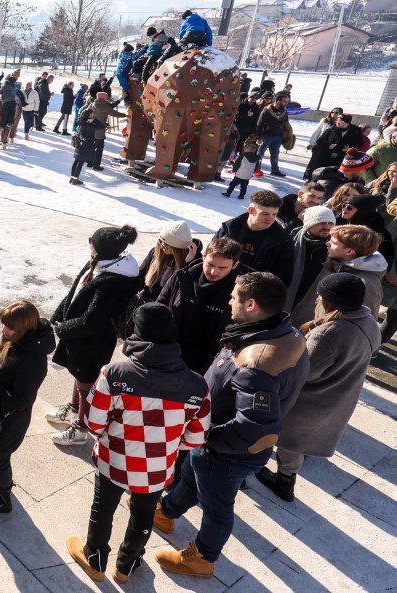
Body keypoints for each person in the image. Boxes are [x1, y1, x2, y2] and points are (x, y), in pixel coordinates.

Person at [154, 272, 309, 579]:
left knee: (217, 507)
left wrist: (207, 437)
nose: (229, 299)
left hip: (223, 453)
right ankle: (166, 512)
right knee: (189, 479)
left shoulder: (257, 362)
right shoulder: (281, 332)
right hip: (210, 447)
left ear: (251, 304)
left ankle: (201, 557)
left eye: (234, 296)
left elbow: (255, 428)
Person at [68, 303, 210, 584]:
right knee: (144, 514)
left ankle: (95, 560)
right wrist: (165, 444)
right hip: (158, 468)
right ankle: (126, 566)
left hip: (114, 460)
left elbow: (94, 423)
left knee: (103, 508)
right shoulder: (197, 385)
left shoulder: (114, 374)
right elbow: (197, 437)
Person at [257, 274, 380, 502]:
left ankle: (284, 481)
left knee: (289, 442)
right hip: (338, 396)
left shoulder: (329, 334)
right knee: (302, 440)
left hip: (310, 402)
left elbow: (303, 371)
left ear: (328, 301)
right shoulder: (369, 321)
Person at [47, 225, 141, 446]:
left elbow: (93, 321)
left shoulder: (113, 281)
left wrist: (62, 329)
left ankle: (81, 427)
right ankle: (74, 407)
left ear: (99, 248)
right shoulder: (98, 264)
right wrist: (58, 315)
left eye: (92, 240)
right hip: (78, 335)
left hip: (94, 340)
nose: (89, 242)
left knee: (86, 381)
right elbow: (74, 292)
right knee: (78, 373)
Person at [0, 300, 54, 514]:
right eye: (3, 324)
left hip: (10, 420)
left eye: (9, 326)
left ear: (24, 328)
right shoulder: (16, 339)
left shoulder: (34, 359)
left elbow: (20, 399)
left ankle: (2, 498)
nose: (3, 330)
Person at [157, 237, 244, 375]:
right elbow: (158, 312)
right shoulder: (181, 278)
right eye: (210, 264)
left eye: (222, 268)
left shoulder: (242, 293)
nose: (214, 272)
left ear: (235, 265)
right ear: (203, 256)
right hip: (169, 360)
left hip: (211, 369)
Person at [213, 190, 294, 283]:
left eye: (274, 214)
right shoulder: (229, 229)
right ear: (251, 210)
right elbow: (211, 257)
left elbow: (283, 277)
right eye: (265, 214)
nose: (270, 219)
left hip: (252, 293)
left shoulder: (282, 240)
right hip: (220, 285)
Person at [285, 206, 336, 326]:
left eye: (330, 223)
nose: (327, 227)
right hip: (283, 299)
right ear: (309, 223)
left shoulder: (336, 246)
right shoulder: (290, 238)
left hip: (312, 307)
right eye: (322, 222)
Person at [138, 221, 197, 301]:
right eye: (160, 241)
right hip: (148, 301)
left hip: (168, 307)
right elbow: (140, 275)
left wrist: (188, 264)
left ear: (178, 249)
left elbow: (184, 291)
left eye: (166, 245)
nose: (162, 246)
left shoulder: (193, 262)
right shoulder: (155, 252)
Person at [304, 113, 362, 180]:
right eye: (337, 120)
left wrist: (349, 148)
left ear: (346, 122)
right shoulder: (332, 129)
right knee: (322, 173)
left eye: (340, 121)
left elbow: (359, 143)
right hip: (326, 156)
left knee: (335, 176)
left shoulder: (355, 131)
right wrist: (328, 145)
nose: (337, 122)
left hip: (341, 158)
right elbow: (320, 141)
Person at [87, 92, 126, 170]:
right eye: (106, 97)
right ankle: (96, 166)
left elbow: (85, 113)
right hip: (100, 131)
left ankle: (90, 162)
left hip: (91, 130)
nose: (107, 99)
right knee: (99, 149)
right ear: (104, 98)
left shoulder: (92, 104)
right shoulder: (105, 106)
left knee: (91, 147)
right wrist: (125, 115)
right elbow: (115, 113)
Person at [255, 92, 290, 177]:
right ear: (278, 101)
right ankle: (255, 169)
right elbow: (260, 124)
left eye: (287, 101)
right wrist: (259, 137)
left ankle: (275, 170)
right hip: (266, 136)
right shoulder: (267, 110)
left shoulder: (284, 111)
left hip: (278, 137)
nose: (286, 103)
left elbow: (286, 123)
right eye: (284, 101)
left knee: (275, 154)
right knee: (260, 153)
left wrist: (287, 136)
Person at [69, 109, 103, 185]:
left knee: (76, 161)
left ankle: (72, 178)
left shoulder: (81, 121)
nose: (92, 115)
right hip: (86, 145)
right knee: (80, 163)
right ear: (88, 115)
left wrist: (92, 120)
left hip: (79, 144)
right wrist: (94, 120)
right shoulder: (90, 124)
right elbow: (101, 126)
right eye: (91, 114)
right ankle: (75, 180)